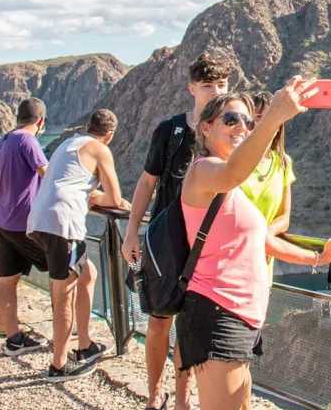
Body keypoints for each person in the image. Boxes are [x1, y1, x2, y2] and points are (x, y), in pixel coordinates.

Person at [177, 87, 331, 409]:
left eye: (248, 122)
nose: (242, 127)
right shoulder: (204, 171)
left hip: (242, 316)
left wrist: (318, 257)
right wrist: (274, 117)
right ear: (206, 127)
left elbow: (261, 240)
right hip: (217, 313)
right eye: (231, 119)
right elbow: (233, 171)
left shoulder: (232, 191)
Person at [121, 52, 230, 410]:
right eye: (208, 85)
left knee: (188, 326)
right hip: (168, 242)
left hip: (206, 246)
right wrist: (131, 231)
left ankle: (183, 399)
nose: (216, 91)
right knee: (158, 322)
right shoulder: (170, 131)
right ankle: (155, 395)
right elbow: (147, 182)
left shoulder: (227, 133)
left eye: (222, 84)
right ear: (191, 88)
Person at [27, 109, 131, 382]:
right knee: (64, 293)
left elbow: (75, 186)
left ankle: (86, 345)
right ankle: (59, 365)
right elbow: (115, 199)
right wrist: (106, 200)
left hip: (39, 219)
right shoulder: (100, 149)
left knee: (88, 275)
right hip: (62, 224)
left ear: (88, 126)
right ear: (110, 134)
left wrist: (92, 195)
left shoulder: (68, 144)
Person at [0, 98, 51, 356]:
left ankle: (13, 338)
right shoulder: (28, 141)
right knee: (69, 272)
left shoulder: (2, 141)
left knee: (7, 280)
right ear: (41, 121)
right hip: (24, 222)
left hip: (2, 219)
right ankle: (69, 340)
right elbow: (48, 174)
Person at [242, 91, 296, 284]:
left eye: (271, 117)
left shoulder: (283, 163)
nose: (265, 123)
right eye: (258, 118)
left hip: (261, 265)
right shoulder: (232, 160)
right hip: (229, 259)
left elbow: (284, 218)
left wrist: (263, 235)